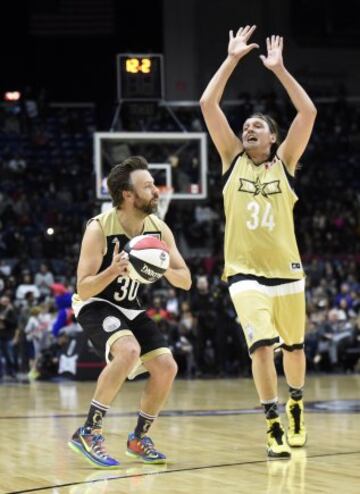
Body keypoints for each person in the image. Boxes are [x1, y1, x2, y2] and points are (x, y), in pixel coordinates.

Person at [200, 25, 317, 459]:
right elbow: (208, 104)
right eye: (245, 125)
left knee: (295, 350)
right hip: (245, 274)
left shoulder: (285, 163)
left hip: (287, 273)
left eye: (258, 126)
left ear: (272, 138)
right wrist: (232, 59)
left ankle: (297, 403)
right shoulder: (231, 161)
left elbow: (308, 115)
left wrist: (280, 70)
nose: (248, 127)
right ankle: (271, 421)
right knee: (261, 345)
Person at [68, 156, 191, 468]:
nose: (156, 190)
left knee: (166, 366)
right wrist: (112, 270)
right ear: (128, 194)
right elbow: (83, 288)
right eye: (148, 186)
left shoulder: (158, 230)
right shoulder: (99, 228)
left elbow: (186, 280)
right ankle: (88, 431)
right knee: (128, 350)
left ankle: (138, 438)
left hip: (131, 307)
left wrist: (162, 268)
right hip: (96, 303)